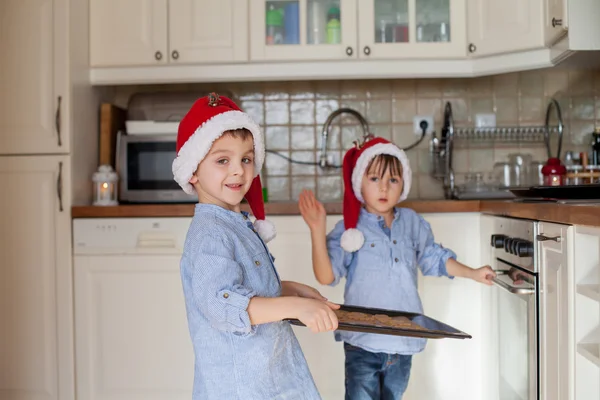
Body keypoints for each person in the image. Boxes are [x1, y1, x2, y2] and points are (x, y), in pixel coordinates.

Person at [298, 135, 496, 400]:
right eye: (375, 179)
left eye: (393, 180)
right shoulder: (350, 229)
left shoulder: (412, 223)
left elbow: (434, 258)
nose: (384, 188)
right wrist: (316, 230)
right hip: (362, 343)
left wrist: (472, 272)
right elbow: (326, 276)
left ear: (403, 184)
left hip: (403, 342)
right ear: (359, 183)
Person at [173, 92, 339, 399]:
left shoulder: (235, 222)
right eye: (223, 160)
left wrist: (289, 289)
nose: (238, 170)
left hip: (266, 375)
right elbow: (223, 304)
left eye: (246, 159)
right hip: (241, 386)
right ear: (193, 171)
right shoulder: (211, 233)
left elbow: (244, 283)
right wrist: (295, 306)